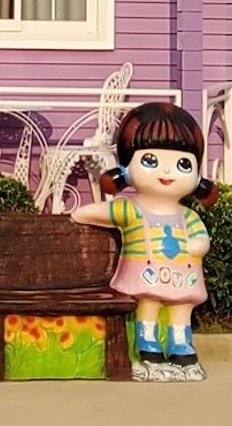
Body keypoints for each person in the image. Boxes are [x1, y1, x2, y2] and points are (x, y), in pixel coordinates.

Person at [72, 100, 215, 377]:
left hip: (182, 275)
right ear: (126, 168)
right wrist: (81, 214)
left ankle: (181, 345)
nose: (167, 172)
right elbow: (91, 213)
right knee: (148, 304)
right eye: (151, 161)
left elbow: (200, 236)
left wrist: (199, 244)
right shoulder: (131, 209)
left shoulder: (188, 217)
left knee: (180, 308)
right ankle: (147, 344)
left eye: (183, 164)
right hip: (146, 275)